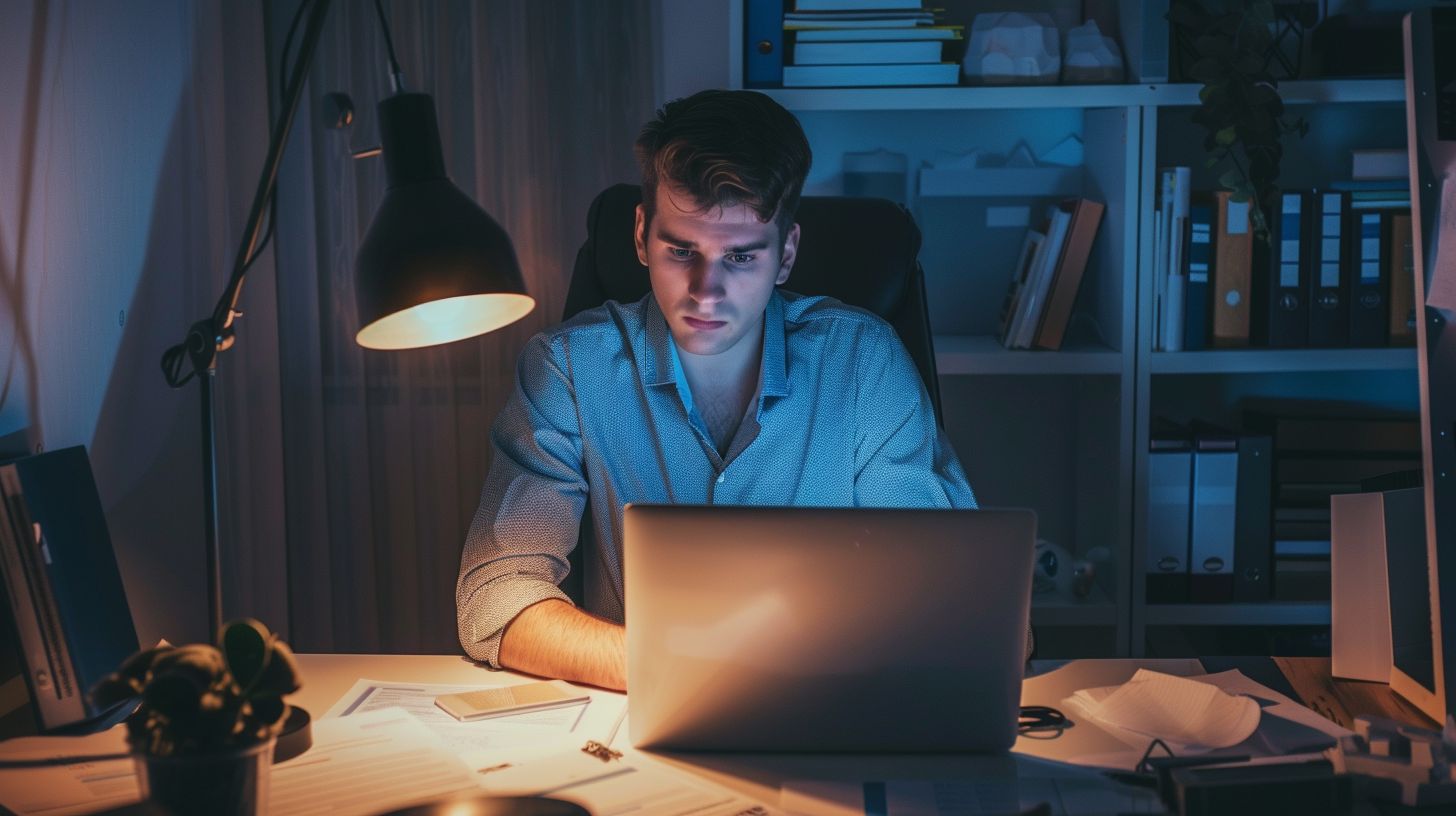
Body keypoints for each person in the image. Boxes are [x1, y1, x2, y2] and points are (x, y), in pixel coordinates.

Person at [456, 89, 975, 691]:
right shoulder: (569, 368)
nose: (706, 291)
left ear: (786, 256)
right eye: (682, 251)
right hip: (633, 721)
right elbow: (497, 599)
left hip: (829, 711)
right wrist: (688, 671)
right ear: (641, 234)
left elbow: (951, 592)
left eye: (741, 257)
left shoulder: (863, 363)